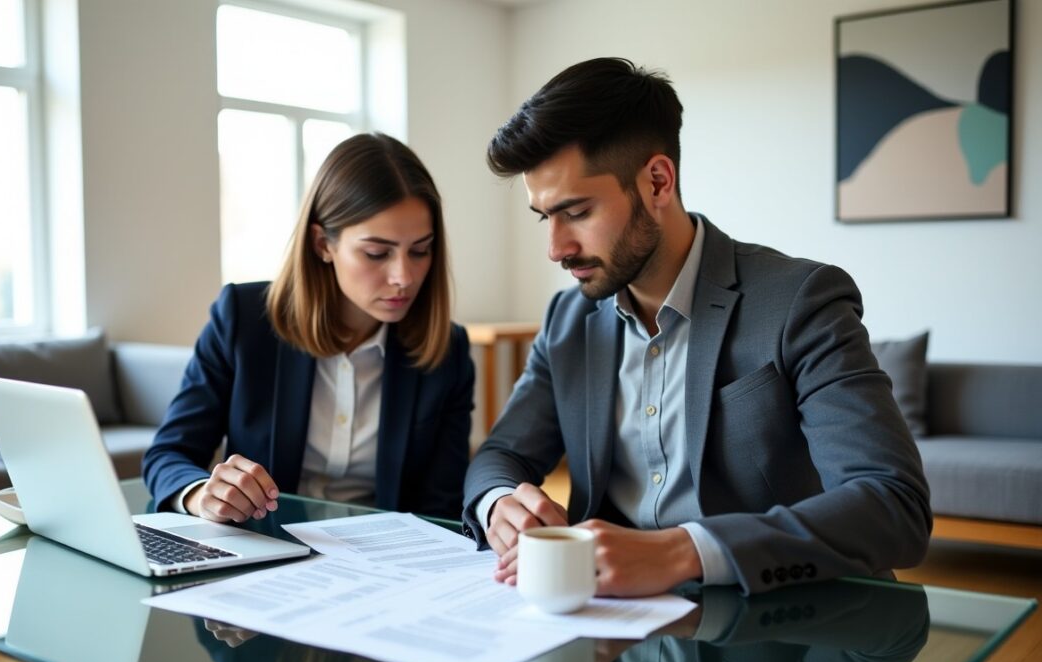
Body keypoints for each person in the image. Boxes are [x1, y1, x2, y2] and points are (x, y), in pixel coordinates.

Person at [462, 58, 932, 595]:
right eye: (546, 217)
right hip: (608, 632)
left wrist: (683, 551)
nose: (555, 249)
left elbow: (894, 505)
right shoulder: (568, 321)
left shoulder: (801, 301)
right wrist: (498, 501)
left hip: (774, 632)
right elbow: (501, 455)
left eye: (577, 211)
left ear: (658, 182)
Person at [144, 133, 474, 522]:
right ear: (322, 244)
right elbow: (169, 455)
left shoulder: (447, 350)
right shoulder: (243, 320)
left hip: (383, 564)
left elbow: (441, 508)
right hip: (265, 552)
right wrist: (203, 495)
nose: (404, 276)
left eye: (420, 250)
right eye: (376, 253)